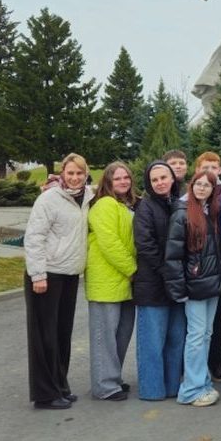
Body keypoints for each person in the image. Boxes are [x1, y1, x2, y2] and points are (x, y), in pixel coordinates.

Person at [24, 153, 92, 410]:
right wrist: (38, 275)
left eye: (79, 173)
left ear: (86, 175)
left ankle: (60, 385)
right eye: (70, 173)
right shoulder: (49, 199)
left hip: (70, 274)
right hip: (47, 275)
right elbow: (34, 238)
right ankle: (45, 394)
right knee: (44, 336)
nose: (74, 178)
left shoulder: (87, 197)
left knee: (62, 334)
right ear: (62, 173)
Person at [164, 170, 221, 407]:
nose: (202, 188)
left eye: (207, 186)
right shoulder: (182, 214)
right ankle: (190, 389)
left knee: (206, 334)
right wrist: (179, 288)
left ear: (212, 190)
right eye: (198, 184)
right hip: (195, 285)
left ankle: (202, 382)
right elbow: (173, 255)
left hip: (213, 284)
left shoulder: (210, 212)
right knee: (196, 337)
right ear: (191, 186)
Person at [133, 161, 186, 401]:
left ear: (172, 178)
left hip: (175, 286)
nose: (160, 183)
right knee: (152, 343)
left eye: (163, 177)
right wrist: (167, 270)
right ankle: (152, 389)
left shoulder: (178, 204)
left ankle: (173, 386)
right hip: (153, 285)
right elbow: (145, 244)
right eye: (154, 180)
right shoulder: (146, 207)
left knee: (176, 339)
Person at [85, 162, 138, 402]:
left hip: (124, 281)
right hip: (107, 280)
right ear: (107, 181)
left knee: (121, 333)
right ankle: (104, 386)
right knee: (104, 336)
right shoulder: (104, 204)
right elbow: (110, 243)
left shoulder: (124, 205)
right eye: (117, 178)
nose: (123, 182)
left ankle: (112, 378)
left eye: (126, 177)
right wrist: (133, 270)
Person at [193, 150, 221, 383]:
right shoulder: (192, 195)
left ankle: (215, 361)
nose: (209, 172)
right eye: (205, 167)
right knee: (197, 326)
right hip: (199, 268)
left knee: (218, 320)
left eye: (214, 168)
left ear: (220, 171)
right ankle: (196, 369)